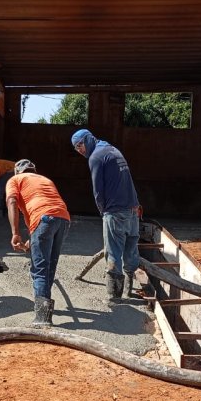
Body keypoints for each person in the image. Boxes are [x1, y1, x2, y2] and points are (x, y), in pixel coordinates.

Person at [71, 128, 141, 303]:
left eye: (79, 145)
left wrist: (103, 212)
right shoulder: (113, 150)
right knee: (130, 251)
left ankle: (114, 297)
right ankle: (128, 290)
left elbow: (98, 191)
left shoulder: (96, 157)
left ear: (88, 139)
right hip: (132, 210)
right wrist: (137, 204)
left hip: (115, 211)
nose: (79, 150)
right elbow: (128, 179)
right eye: (75, 148)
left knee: (113, 252)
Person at [6, 159, 71, 327]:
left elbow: (12, 202)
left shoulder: (15, 180)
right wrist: (30, 242)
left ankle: (43, 318)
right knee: (50, 265)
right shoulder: (44, 180)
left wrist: (15, 233)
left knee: (40, 268)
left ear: (17, 171)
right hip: (63, 219)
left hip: (44, 218)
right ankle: (45, 307)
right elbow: (45, 216)